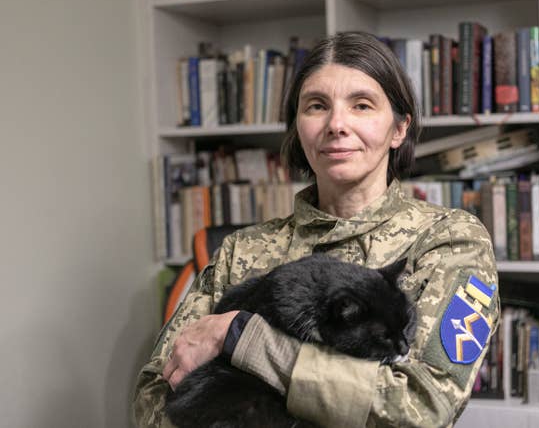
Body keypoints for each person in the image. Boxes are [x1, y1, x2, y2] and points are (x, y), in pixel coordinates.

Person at [133, 31, 500, 428]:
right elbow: (155, 393)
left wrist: (242, 338)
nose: (336, 124)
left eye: (362, 105)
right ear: (297, 127)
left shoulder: (447, 241)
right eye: (316, 106)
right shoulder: (241, 250)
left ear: (399, 129)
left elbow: (421, 407)